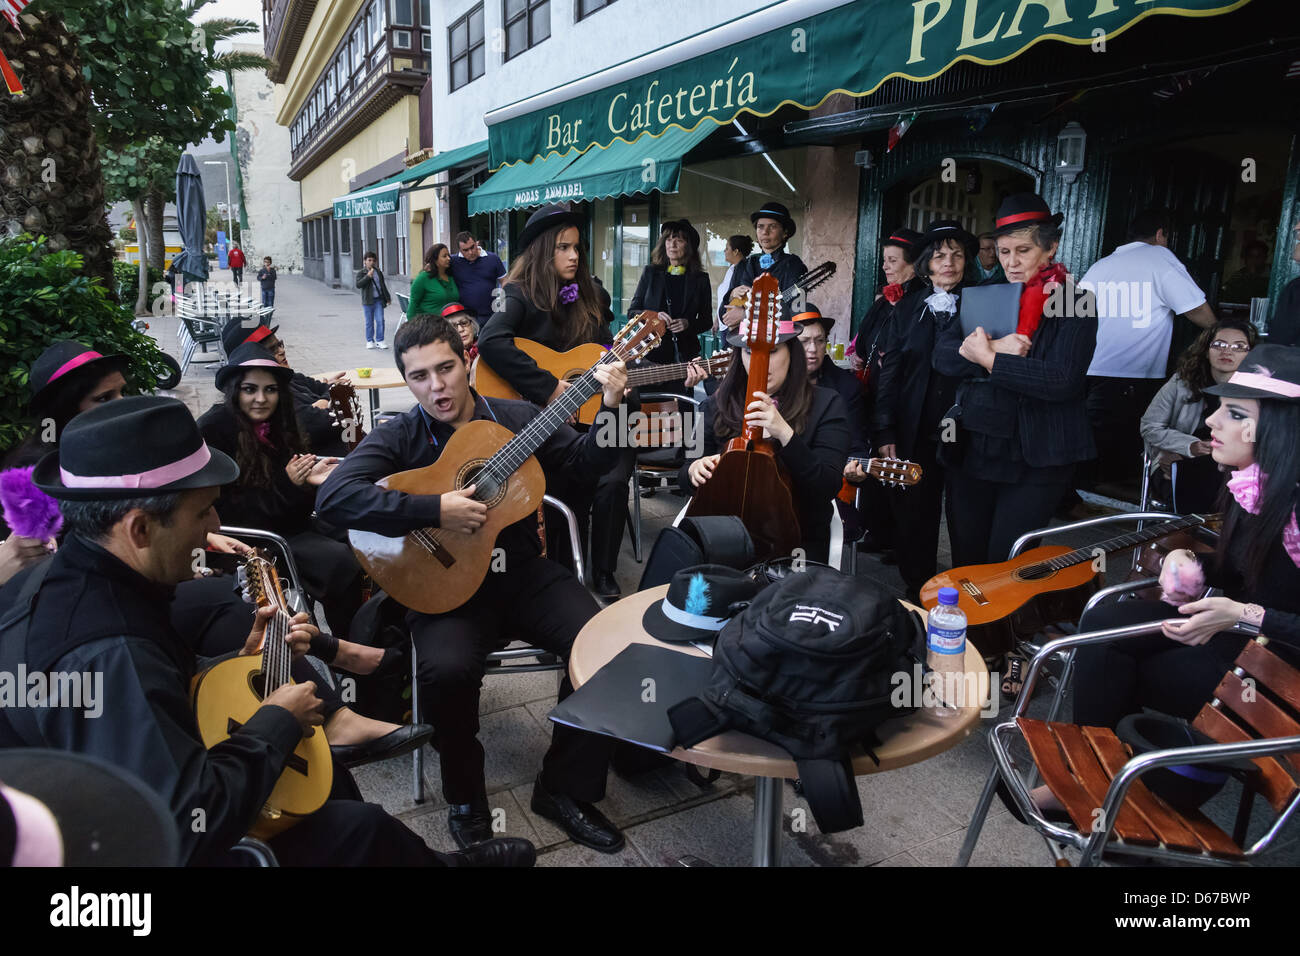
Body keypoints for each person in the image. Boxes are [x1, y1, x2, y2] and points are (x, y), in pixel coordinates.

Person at [0, 396, 534, 867]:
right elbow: (186, 829)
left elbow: (142, 715)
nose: (214, 528)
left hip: (124, 800)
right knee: (356, 828)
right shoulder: (110, 649)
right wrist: (276, 722)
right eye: (204, 510)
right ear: (139, 527)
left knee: (321, 774)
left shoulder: (77, 576)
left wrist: (226, 667)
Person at [1, 342, 428, 767]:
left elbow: (166, 522)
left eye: (121, 393)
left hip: (165, 579)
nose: (120, 405)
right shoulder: (31, 486)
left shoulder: (119, 454)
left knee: (334, 565)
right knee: (231, 600)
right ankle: (323, 704)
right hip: (102, 611)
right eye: (104, 399)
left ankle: (333, 684)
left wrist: (205, 536)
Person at [316, 315, 632, 853]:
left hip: (523, 574)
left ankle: (563, 789)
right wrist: (434, 506)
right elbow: (334, 498)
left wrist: (612, 409)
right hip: (443, 587)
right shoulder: (399, 436)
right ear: (407, 382)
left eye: (445, 368)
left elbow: (583, 469)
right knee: (444, 670)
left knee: (602, 647)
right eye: (419, 377)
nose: (436, 387)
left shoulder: (517, 418)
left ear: (468, 364)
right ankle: (466, 796)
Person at [1071, 343, 1300, 730]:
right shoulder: (1250, 485)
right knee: (1103, 622)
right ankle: (1100, 766)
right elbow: (1240, 575)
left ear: (1280, 430)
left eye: (1235, 413)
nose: (1212, 421)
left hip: (1278, 664)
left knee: (1132, 668)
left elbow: (1259, 602)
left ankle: (1113, 774)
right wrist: (1189, 564)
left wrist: (1242, 614)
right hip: (1232, 632)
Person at [933, 193, 1097, 569]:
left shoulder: (1075, 302)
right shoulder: (982, 294)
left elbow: (1061, 379)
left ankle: (1007, 630)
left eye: (1022, 250)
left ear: (1050, 247)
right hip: (974, 445)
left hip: (1036, 454)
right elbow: (941, 355)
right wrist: (989, 348)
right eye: (1003, 251)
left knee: (1009, 563)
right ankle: (967, 629)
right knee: (967, 559)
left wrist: (988, 357)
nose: (1011, 262)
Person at [476, 204, 629, 599]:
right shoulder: (517, 293)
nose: (574, 256)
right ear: (545, 251)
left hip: (594, 414)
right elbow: (490, 341)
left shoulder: (590, 293)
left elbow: (605, 348)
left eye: (577, 247)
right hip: (539, 420)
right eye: (563, 248)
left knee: (614, 473)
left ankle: (604, 569)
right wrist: (547, 387)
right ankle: (561, 575)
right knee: (562, 478)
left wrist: (618, 373)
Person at [196, 343, 364, 645]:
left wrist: (307, 481)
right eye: (250, 389)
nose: (261, 399)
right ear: (235, 391)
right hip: (249, 538)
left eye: (270, 390)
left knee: (363, 536)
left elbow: (293, 508)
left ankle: (369, 636)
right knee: (340, 564)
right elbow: (223, 511)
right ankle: (345, 650)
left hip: (287, 523)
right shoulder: (213, 429)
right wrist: (290, 484)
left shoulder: (281, 423)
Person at [681, 320, 849, 565]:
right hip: (719, 540)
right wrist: (694, 470)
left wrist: (784, 434)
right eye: (750, 352)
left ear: (792, 351)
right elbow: (684, 473)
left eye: (771, 351)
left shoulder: (828, 404)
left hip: (796, 545)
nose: (760, 361)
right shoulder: (715, 404)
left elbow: (827, 485)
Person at [872, 221, 974, 599]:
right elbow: (891, 370)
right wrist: (884, 429)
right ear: (927, 263)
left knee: (966, 516)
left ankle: (970, 591)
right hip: (916, 426)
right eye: (940, 255)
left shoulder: (982, 301)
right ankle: (918, 588)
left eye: (957, 255)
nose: (949, 262)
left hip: (968, 427)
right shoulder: (909, 306)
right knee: (915, 512)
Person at [1081, 207, 1217, 487]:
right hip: (1133, 371)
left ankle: (1086, 497)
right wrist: (1224, 335)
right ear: (1159, 234)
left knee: (1095, 439)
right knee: (1125, 447)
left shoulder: (1101, 265)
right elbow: (1198, 312)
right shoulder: (1160, 258)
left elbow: (1077, 311)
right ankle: (1119, 502)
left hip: (1092, 366)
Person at [1140, 320, 1256, 514]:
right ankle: (1191, 536)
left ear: (1250, 354)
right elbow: (1150, 426)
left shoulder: (1256, 391)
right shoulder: (1182, 381)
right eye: (1219, 344)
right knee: (1193, 475)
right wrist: (1188, 446)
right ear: (1206, 349)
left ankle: (1200, 536)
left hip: (1231, 467)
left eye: (1238, 347)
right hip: (1178, 461)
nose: (1227, 352)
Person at [221, 318, 350, 458]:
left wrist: (322, 402)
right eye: (272, 349)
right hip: (334, 463)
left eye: (280, 344)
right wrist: (330, 399)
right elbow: (326, 422)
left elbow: (334, 390)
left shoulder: (290, 377)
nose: (281, 351)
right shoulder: (274, 396)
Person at [628, 218, 713, 395]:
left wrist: (688, 324)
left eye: (679, 240)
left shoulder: (700, 279)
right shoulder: (651, 273)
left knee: (682, 411)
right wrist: (654, 316)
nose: (672, 244)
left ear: (688, 246)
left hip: (683, 357)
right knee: (647, 413)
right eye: (668, 239)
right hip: (649, 355)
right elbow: (632, 312)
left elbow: (706, 321)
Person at [718, 201, 807, 329]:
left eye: (772, 226)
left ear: (785, 232)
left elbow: (796, 311)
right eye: (760, 227)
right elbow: (723, 315)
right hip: (742, 344)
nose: (765, 232)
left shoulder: (792, 264)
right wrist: (732, 294)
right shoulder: (743, 265)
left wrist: (747, 315)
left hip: (778, 342)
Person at [449, 230, 507, 319]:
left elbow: (504, 282)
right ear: (459, 250)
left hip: (491, 315)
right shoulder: (453, 261)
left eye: (472, 247)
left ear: (477, 243)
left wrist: (501, 307)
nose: (470, 252)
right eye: (465, 250)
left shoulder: (493, 258)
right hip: (465, 317)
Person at [408, 243, 460, 320]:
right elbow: (413, 307)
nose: (449, 258)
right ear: (435, 260)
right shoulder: (423, 278)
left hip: (450, 325)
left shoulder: (451, 277)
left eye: (448, 255)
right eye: (444, 256)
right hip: (429, 326)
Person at [714, 234, 755, 322]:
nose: (724, 251)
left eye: (727, 248)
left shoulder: (744, 269)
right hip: (726, 321)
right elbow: (725, 296)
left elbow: (741, 298)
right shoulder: (731, 269)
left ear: (735, 251)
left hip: (734, 320)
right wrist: (717, 319)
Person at [356, 251, 391, 350]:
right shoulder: (361, 272)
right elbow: (358, 285)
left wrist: (387, 297)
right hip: (367, 301)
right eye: (369, 260)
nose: (371, 262)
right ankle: (370, 341)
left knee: (380, 320)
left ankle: (380, 340)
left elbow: (382, 285)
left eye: (373, 260)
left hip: (378, 300)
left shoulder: (378, 272)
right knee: (369, 322)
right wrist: (368, 277)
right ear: (365, 261)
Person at [1221, 239, 1271, 304]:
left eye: (1259, 256)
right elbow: (1226, 293)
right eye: (1251, 256)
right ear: (1245, 258)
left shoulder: (1272, 275)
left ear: (1265, 258)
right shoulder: (1238, 275)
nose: (1254, 260)